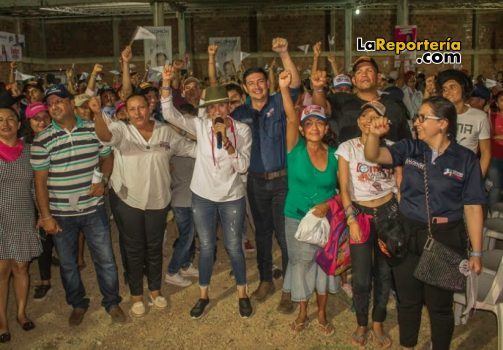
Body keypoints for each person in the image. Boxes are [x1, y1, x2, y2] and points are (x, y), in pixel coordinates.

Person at [364, 96, 484, 350]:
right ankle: (408, 346)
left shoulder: (465, 159)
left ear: (442, 123)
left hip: (445, 236)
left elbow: (473, 207)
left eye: (422, 117)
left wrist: (476, 251)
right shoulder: (410, 148)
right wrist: (374, 135)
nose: (415, 122)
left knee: (440, 306)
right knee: (408, 301)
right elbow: (374, 154)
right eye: (416, 117)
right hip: (408, 232)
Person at [161, 66, 253, 319]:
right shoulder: (200, 126)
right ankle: (203, 295)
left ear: (229, 107)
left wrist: (230, 143)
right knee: (207, 247)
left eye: (221, 106)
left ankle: (242, 294)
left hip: (232, 197)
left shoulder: (243, 131)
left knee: (234, 246)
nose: (216, 112)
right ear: (207, 110)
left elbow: (243, 166)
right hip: (202, 197)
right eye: (211, 108)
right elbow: (168, 113)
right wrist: (167, 83)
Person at [31, 85, 125, 326]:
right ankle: (78, 303)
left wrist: (103, 180)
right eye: (50, 103)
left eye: (59, 100)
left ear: (72, 103)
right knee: (68, 264)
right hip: (61, 214)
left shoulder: (93, 130)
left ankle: (112, 301)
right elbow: (40, 182)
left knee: (105, 258)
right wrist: (46, 216)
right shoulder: (42, 140)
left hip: (92, 208)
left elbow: (107, 156)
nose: (54, 106)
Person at [94, 93, 196, 317]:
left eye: (142, 107)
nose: (138, 113)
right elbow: (105, 135)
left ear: (150, 108)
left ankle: (155, 290)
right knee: (133, 248)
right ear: (127, 112)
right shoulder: (122, 130)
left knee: (154, 246)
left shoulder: (165, 131)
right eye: (132, 109)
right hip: (129, 200)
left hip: (158, 200)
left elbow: (191, 149)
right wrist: (96, 114)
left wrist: (218, 146)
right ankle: (136, 295)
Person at [231, 38, 301, 311]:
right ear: (246, 88)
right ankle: (264, 280)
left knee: (285, 236)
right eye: (251, 83)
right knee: (261, 233)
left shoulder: (280, 101)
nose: (257, 86)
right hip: (255, 183)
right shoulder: (240, 113)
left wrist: (284, 53)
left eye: (261, 81)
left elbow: (294, 83)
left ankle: (289, 287)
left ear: (267, 83)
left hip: (283, 181)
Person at [278, 69, 338, 335]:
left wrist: (329, 205)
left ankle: (322, 313)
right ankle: (303, 313)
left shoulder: (337, 155)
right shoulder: (294, 148)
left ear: (326, 128)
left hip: (326, 219)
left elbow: (344, 190)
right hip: (296, 216)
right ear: (302, 129)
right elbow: (291, 116)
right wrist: (283, 88)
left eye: (319, 123)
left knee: (324, 265)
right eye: (309, 123)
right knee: (301, 265)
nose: (314, 128)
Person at [336, 100, 399, 348]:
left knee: (384, 274)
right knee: (361, 277)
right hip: (359, 214)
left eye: (374, 116)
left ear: (384, 122)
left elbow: (399, 185)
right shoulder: (347, 148)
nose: (368, 119)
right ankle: (362, 322)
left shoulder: (393, 149)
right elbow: (344, 188)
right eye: (364, 115)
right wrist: (350, 217)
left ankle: (378, 322)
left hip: (388, 215)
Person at [0, 107, 42, 343]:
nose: (5, 124)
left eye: (10, 119)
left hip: (23, 217)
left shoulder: (29, 151)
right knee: (1, 273)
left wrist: (42, 214)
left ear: (18, 124)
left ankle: (20, 314)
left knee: (22, 269)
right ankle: (2, 321)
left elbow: (36, 186)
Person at [313, 56, 411, 144]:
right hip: (348, 162)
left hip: (386, 162)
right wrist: (318, 89)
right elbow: (321, 108)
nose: (364, 74)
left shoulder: (393, 105)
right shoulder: (342, 99)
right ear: (354, 81)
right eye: (359, 72)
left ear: (378, 77)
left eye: (369, 70)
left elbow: (408, 143)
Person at [24, 103, 54, 301]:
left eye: (45, 117)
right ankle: (45, 280)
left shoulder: (57, 138)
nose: (41, 122)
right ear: (29, 122)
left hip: (58, 195)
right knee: (42, 238)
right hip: (34, 199)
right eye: (36, 119)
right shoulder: (24, 146)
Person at [437, 69, 491, 177]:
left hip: (466, 173)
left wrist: (477, 180)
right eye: (444, 89)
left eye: (452, 87)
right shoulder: (438, 116)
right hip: (440, 173)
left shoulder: (479, 117)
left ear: (463, 88)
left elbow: (486, 153)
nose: (447, 92)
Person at [488, 91, 503, 206]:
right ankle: (491, 215)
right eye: (502, 100)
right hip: (495, 158)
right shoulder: (492, 116)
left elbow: (494, 136)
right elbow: (489, 135)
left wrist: (497, 136)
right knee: (496, 187)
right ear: (497, 103)